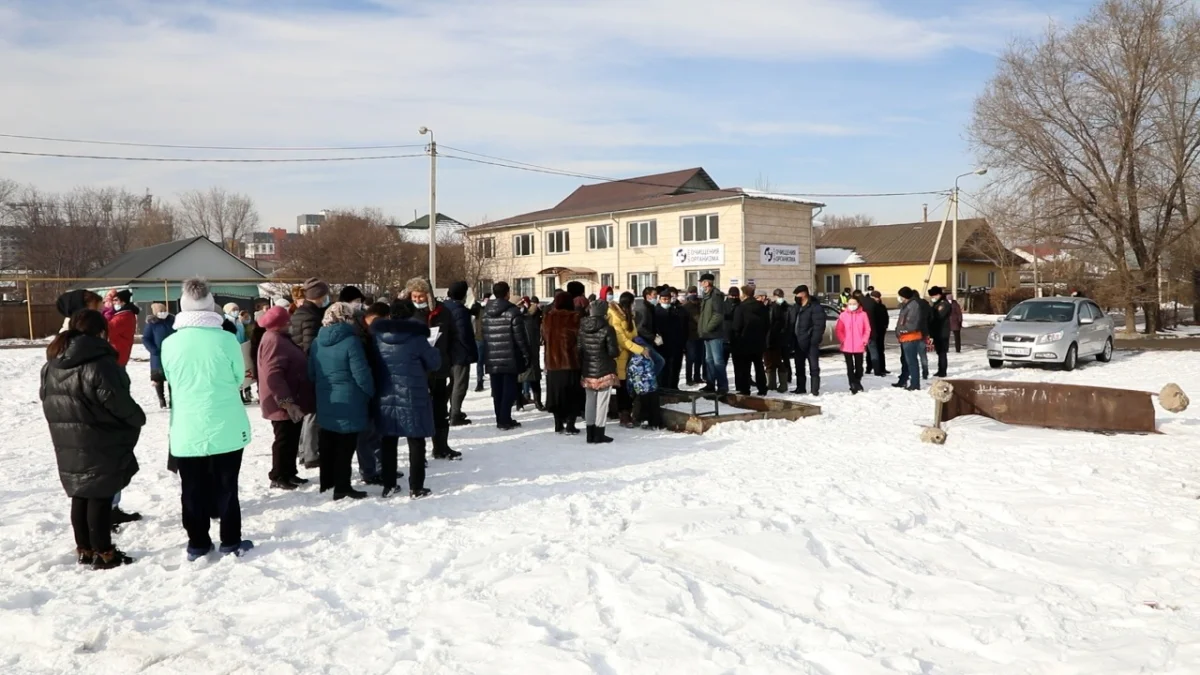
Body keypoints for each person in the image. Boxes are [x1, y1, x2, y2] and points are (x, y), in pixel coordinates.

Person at [41, 309, 145, 569]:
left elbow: (46, 398)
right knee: (99, 494)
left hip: (67, 437)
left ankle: (85, 548)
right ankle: (105, 552)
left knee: (81, 493)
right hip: (100, 436)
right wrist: (137, 417)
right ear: (101, 332)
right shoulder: (100, 362)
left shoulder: (52, 362)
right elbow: (116, 401)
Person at [162, 278, 254, 561]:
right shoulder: (226, 339)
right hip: (225, 424)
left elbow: (170, 378)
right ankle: (230, 541)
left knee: (191, 489)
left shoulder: (170, 343)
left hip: (187, 427)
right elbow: (240, 377)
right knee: (227, 486)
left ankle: (198, 542)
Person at [371, 302, 441, 498]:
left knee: (388, 440)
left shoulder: (377, 338)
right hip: (413, 393)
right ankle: (416, 486)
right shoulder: (418, 338)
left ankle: (389, 484)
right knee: (416, 440)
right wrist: (434, 349)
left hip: (385, 393)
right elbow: (434, 363)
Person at [309, 302, 375, 500]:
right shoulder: (351, 341)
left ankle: (327, 483)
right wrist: (370, 392)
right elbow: (361, 374)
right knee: (346, 446)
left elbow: (311, 373)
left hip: (326, 398)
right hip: (350, 400)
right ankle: (342, 487)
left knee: (328, 442)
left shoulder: (316, 341)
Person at [256, 306, 314, 491]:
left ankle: (289, 472)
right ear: (278, 324)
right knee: (283, 439)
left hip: (290, 398)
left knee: (291, 438)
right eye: (286, 321)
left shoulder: (279, 337)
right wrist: (286, 402)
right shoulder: (273, 340)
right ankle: (278, 475)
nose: (290, 323)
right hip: (282, 402)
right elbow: (273, 374)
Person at [403, 277, 462, 460]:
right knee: (418, 411)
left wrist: (450, 359)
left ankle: (441, 446)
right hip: (416, 370)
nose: (418, 300)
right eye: (415, 296)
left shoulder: (443, 311)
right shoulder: (405, 312)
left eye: (421, 296)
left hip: (439, 367)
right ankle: (417, 453)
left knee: (440, 409)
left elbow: (453, 336)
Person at [291, 277, 330, 470]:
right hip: (309, 369)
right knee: (313, 413)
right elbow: (310, 346)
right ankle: (311, 454)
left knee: (308, 412)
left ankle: (303, 451)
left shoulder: (301, 312)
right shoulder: (311, 316)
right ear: (319, 296)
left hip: (300, 369)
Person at [482, 281, 532, 430]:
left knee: (497, 390)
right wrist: (526, 354)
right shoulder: (513, 312)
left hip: (492, 355)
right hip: (510, 356)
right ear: (507, 293)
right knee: (509, 390)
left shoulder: (486, 312)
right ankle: (505, 419)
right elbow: (520, 337)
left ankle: (500, 418)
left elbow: (484, 334)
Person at [355, 302, 393, 485]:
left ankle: (381, 467)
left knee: (377, 431)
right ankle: (369, 471)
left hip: (375, 385)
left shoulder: (371, 331)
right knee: (366, 434)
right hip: (364, 389)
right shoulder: (361, 334)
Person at [578, 300, 619, 444]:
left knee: (589, 401)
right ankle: (599, 433)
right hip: (604, 369)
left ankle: (589, 434)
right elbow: (614, 352)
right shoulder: (608, 329)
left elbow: (579, 350)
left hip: (588, 369)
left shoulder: (582, 328)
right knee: (602, 403)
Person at [542, 291, 583, 435]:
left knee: (555, 394)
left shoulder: (548, 317)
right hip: (570, 362)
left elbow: (544, 336)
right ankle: (570, 424)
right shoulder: (574, 317)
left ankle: (558, 423)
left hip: (552, 362)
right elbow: (579, 339)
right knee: (572, 394)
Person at [608, 292, 648, 428]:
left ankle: (632, 412)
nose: (634, 305)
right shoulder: (614, 315)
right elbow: (622, 340)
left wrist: (640, 343)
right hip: (620, 356)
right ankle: (624, 414)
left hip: (631, 355)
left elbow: (634, 333)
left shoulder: (629, 315)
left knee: (631, 385)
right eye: (633, 303)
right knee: (623, 387)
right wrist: (640, 349)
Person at [443, 281, 479, 426]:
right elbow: (464, 334)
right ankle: (455, 413)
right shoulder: (460, 311)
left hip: (446, 352)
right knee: (459, 384)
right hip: (459, 353)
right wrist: (471, 351)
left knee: (450, 384)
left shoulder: (444, 307)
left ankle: (443, 409)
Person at [731, 285, 769, 396]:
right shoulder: (762, 307)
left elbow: (736, 326)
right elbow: (767, 324)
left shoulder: (741, 308)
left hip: (744, 342)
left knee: (745, 368)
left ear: (744, 294)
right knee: (759, 366)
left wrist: (736, 339)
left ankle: (745, 389)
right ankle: (762, 388)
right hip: (759, 342)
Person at [788, 285, 826, 396]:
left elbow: (819, 326)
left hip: (810, 343)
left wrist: (814, 340)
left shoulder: (815, 307)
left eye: (798, 294)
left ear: (804, 294)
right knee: (799, 366)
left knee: (813, 367)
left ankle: (814, 389)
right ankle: (800, 387)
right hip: (798, 342)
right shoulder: (797, 307)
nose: (796, 296)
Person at [697, 274, 728, 394]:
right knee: (709, 360)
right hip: (707, 333)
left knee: (717, 360)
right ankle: (710, 384)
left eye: (702, 282)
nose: (700, 284)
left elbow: (718, 315)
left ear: (707, 282)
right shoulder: (706, 295)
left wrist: (708, 327)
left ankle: (722, 386)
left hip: (714, 333)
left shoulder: (715, 295)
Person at [142, 302, 175, 409]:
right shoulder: (152, 324)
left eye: (164, 310)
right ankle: (162, 400)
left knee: (172, 378)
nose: (163, 313)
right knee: (159, 378)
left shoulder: (172, 321)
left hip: (171, 354)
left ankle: (172, 400)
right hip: (158, 355)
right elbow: (146, 338)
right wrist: (153, 350)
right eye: (160, 311)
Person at [835, 295, 871, 394]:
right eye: (850, 304)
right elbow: (839, 329)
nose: (852, 305)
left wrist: (864, 340)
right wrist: (843, 340)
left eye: (854, 303)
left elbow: (867, 329)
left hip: (859, 345)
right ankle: (853, 384)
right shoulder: (843, 315)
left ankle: (857, 381)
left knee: (859, 367)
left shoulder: (863, 314)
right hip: (847, 345)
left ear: (858, 304)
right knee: (850, 367)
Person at [653, 287, 686, 390]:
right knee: (663, 367)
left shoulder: (676, 311)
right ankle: (662, 387)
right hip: (661, 345)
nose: (666, 301)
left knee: (675, 367)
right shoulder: (655, 311)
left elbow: (682, 328)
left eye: (668, 299)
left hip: (675, 344)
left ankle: (673, 386)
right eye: (664, 299)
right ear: (660, 299)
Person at [894, 287, 925, 391]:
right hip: (905, 338)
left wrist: (902, 331)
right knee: (905, 361)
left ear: (905, 296)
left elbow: (911, 324)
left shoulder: (913, 306)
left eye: (900, 295)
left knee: (911, 362)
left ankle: (915, 384)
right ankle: (903, 380)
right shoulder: (906, 305)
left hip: (910, 337)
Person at [519, 296, 545, 411]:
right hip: (527, 351)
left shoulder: (528, 318)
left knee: (531, 377)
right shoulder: (522, 319)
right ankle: (528, 401)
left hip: (529, 351)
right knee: (529, 377)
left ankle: (533, 401)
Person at [765, 289, 790, 393]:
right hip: (771, 338)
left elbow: (779, 323)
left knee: (778, 361)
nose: (779, 297)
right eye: (777, 295)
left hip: (777, 338)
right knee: (769, 361)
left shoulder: (782, 307)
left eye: (780, 295)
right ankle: (772, 383)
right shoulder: (770, 307)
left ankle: (783, 383)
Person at [107, 289, 138, 369]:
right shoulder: (123, 315)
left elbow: (108, 330)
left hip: (117, 352)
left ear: (123, 302)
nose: (113, 303)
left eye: (116, 300)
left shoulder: (123, 317)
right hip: (119, 352)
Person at [927, 287, 953, 378]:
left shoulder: (944, 304)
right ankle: (940, 370)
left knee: (942, 352)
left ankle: (943, 371)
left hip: (942, 332)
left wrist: (931, 313)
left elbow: (939, 316)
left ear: (938, 295)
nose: (932, 298)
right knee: (939, 352)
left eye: (933, 296)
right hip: (937, 332)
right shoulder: (937, 304)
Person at [682, 286, 705, 386]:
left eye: (694, 292)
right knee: (690, 358)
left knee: (699, 357)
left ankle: (697, 376)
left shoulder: (701, 304)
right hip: (690, 336)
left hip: (700, 335)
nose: (693, 294)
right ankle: (688, 378)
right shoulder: (685, 307)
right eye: (691, 292)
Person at [867, 291, 890, 376]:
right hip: (872, 331)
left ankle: (882, 368)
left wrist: (885, 325)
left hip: (881, 331)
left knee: (880, 350)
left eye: (878, 297)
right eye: (876, 297)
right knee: (871, 350)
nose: (878, 299)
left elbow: (886, 317)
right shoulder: (870, 306)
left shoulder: (882, 306)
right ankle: (869, 368)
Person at [471, 293, 490, 392]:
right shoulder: (479, 309)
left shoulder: (492, 309)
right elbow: (472, 309)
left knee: (491, 362)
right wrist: (478, 304)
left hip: (491, 339)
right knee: (480, 362)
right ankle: (479, 382)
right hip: (480, 339)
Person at [915, 292, 932, 379]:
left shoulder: (912, 305)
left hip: (913, 333)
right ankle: (925, 371)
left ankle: (913, 373)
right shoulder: (925, 304)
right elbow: (931, 317)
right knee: (923, 354)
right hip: (923, 332)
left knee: (912, 355)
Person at [722, 286, 740, 370]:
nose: (733, 298)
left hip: (737, 339)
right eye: (732, 296)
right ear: (728, 295)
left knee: (739, 364)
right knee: (722, 362)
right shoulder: (723, 305)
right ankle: (720, 381)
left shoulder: (741, 305)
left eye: (735, 296)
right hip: (724, 338)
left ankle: (745, 380)